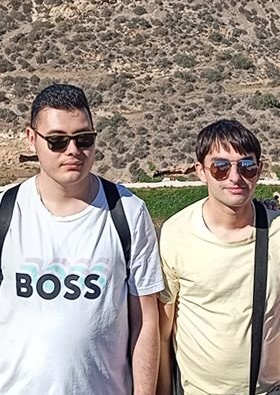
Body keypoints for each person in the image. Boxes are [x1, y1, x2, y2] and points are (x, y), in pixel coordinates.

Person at [0, 83, 164, 395]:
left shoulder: (127, 212)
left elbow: (145, 321)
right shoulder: (5, 211)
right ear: (31, 139)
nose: (73, 151)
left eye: (84, 139)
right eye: (58, 141)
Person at [157, 119, 280, 395]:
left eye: (246, 166)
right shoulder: (175, 233)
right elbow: (162, 333)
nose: (235, 177)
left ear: (260, 170)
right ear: (200, 172)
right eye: (220, 167)